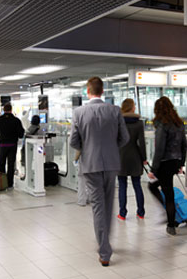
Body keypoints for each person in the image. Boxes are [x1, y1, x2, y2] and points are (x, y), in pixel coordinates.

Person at [70, 76, 129, 267]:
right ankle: (105, 243)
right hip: (111, 163)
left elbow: (73, 141)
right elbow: (124, 138)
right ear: (102, 91)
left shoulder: (79, 112)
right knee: (108, 204)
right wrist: (111, 148)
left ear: (88, 91)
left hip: (91, 165)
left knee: (97, 206)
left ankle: (105, 251)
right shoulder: (114, 111)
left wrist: (86, 150)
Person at [146, 97, 187, 235]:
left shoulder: (162, 124)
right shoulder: (179, 123)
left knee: (166, 192)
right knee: (159, 187)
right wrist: (181, 164)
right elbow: (184, 145)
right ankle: (170, 214)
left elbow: (160, 149)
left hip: (164, 163)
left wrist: (154, 169)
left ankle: (171, 224)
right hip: (175, 161)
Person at [116, 99, 147, 221]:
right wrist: (144, 158)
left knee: (122, 186)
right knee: (137, 185)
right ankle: (141, 212)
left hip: (120, 156)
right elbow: (142, 143)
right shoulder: (139, 123)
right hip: (135, 156)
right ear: (131, 107)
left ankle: (122, 213)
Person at [0, 103, 25, 188]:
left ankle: (2, 183)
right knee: (11, 164)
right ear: (11, 110)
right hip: (12, 145)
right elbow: (21, 134)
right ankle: (10, 183)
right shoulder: (16, 120)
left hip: (2, 145)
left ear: (4, 110)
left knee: (1, 163)